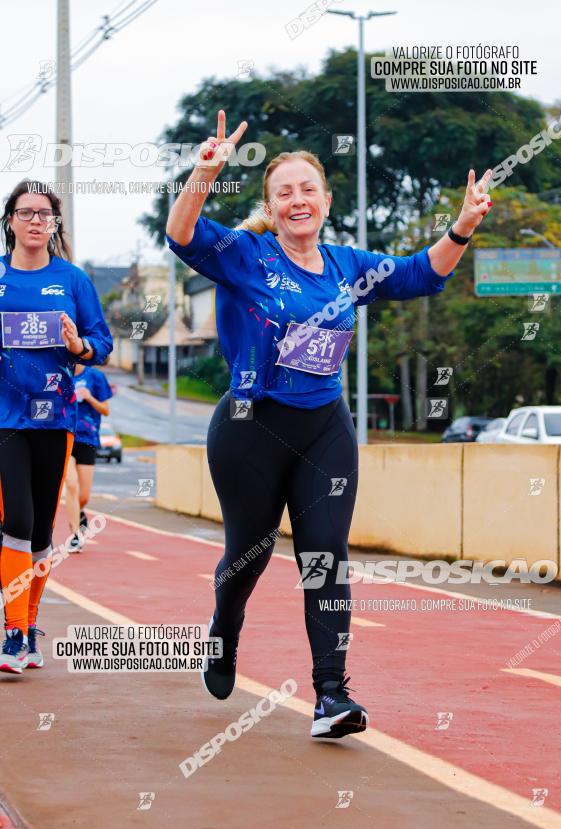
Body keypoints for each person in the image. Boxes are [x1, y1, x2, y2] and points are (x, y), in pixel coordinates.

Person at [166, 110, 493, 739]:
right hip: (249, 428)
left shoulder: (347, 266)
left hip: (324, 431)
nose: (297, 201)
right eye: (284, 192)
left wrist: (463, 225)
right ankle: (224, 630)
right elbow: (182, 237)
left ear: (325, 199)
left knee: (325, 558)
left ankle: (331, 696)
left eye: (307, 190)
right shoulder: (246, 256)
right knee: (249, 555)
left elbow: (423, 273)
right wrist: (203, 176)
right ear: (270, 204)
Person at [0, 180, 113, 674]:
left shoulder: (73, 279)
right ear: (10, 221)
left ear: (55, 223)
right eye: (25, 213)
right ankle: (12, 633)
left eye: (44, 214)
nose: (35, 221)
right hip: (4, 417)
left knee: (43, 531)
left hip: (57, 416)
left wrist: (78, 347)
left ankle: (29, 626)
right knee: (17, 522)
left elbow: (102, 343)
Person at [65, 363, 113, 552]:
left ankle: (79, 513)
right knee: (71, 484)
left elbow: (106, 410)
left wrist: (89, 397)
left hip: (88, 439)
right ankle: (76, 534)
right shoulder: (60, 373)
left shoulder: (95, 376)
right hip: (64, 436)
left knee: (83, 496)